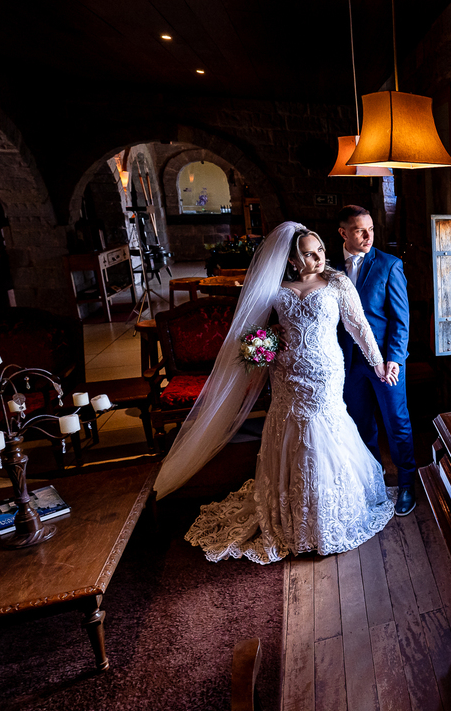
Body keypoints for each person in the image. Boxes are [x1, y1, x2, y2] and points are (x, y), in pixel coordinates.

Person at [153, 222, 395, 564]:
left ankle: (327, 517)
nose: (318, 259)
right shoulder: (274, 286)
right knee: (290, 433)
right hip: (284, 375)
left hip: (325, 373)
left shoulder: (337, 282)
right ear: (292, 260)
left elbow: (359, 327)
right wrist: (267, 341)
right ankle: (290, 515)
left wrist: (379, 363)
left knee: (323, 433)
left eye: (321, 251)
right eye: (309, 255)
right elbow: (250, 339)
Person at [336, 205, 417, 517]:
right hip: (347, 362)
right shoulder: (328, 268)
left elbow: (401, 319)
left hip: (385, 362)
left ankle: (407, 483)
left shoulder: (389, 265)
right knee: (360, 424)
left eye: (370, 228)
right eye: (360, 230)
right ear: (343, 233)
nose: (369, 236)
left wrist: (395, 359)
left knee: (397, 421)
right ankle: (372, 482)